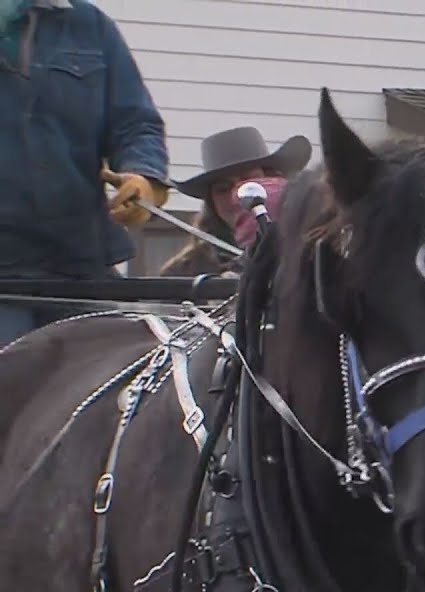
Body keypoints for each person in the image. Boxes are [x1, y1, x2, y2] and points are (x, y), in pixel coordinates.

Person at [0, 0, 171, 345]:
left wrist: (143, 176)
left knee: (116, 386)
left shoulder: (90, 26)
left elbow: (136, 125)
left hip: (82, 267)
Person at [159, 126, 312, 277]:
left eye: (248, 182)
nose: (237, 195)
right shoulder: (183, 272)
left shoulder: (314, 252)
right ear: (212, 203)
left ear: (274, 180)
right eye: (223, 189)